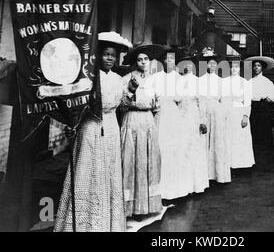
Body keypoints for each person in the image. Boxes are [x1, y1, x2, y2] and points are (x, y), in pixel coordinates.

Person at [54, 31, 131, 232]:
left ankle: (108, 222)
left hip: (112, 128)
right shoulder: (88, 77)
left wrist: (131, 90)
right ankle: (84, 223)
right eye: (106, 54)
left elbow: (123, 104)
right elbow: (75, 104)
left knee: (109, 171)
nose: (109, 59)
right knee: (88, 169)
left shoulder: (117, 78)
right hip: (91, 127)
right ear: (98, 55)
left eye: (113, 56)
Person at [120, 43, 164, 218]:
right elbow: (122, 104)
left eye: (146, 59)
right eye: (140, 60)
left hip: (148, 121)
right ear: (135, 62)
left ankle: (147, 205)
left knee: (147, 161)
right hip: (132, 119)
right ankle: (130, 206)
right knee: (131, 160)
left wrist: (156, 126)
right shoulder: (126, 79)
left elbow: (158, 106)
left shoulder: (154, 80)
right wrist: (131, 91)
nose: (143, 62)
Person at [152, 49, 193, 200]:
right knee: (161, 148)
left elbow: (184, 101)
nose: (168, 61)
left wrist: (182, 119)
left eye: (171, 59)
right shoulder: (156, 77)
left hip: (174, 116)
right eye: (166, 58)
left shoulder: (179, 79)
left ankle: (177, 190)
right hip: (160, 115)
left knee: (175, 150)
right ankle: (160, 191)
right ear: (162, 61)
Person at [177, 54, 209, 194]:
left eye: (190, 64)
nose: (187, 66)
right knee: (181, 148)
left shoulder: (197, 81)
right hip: (179, 116)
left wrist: (202, 121)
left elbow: (202, 102)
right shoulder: (177, 80)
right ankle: (183, 185)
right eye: (185, 63)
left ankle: (196, 185)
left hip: (193, 116)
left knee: (194, 148)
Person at [198, 47, 230, 184]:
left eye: (214, 63)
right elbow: (200, 99)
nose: (211, 66)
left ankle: (218, 174)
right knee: (204, 141)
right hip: (205, 110)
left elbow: (224, 100)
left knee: (217, 141)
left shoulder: (221, 81)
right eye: (209, 63)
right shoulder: (201, 80)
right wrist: (201, 116)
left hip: (217, 112)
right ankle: (205, 175)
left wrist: (224, 113)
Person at [222, 56, 255, 171]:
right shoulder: (224, 81)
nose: (234, 69)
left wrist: (246, 116)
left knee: (240, 138)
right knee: (228, 137)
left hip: (240, 112)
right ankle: (229, 164)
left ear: (239, 68)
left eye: (236, 66)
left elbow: (247, 101)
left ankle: (241, 164)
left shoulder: (244, 82)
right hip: (228, 112)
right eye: (232, 67)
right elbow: (222, 99)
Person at [245, 56, 274, 172]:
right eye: (255, 66)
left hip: (263, 109)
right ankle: (253, 162)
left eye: (258, 66)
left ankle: (264, 163)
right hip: (252, 108)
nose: (256, 68)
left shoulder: (267, 82)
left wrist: (265, 99)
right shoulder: (249, 82)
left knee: (264, 135)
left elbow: (273, 97)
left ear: (262, 68)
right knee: (253, 134)